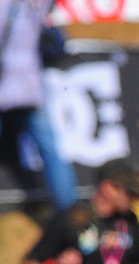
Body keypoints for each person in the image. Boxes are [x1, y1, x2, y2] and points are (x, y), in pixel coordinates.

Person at [0, 0, 75, 211]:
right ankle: (70, 217)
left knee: (50, 151)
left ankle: (68, 216)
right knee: (51, 152)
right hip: (31, 85)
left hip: (7, 82)